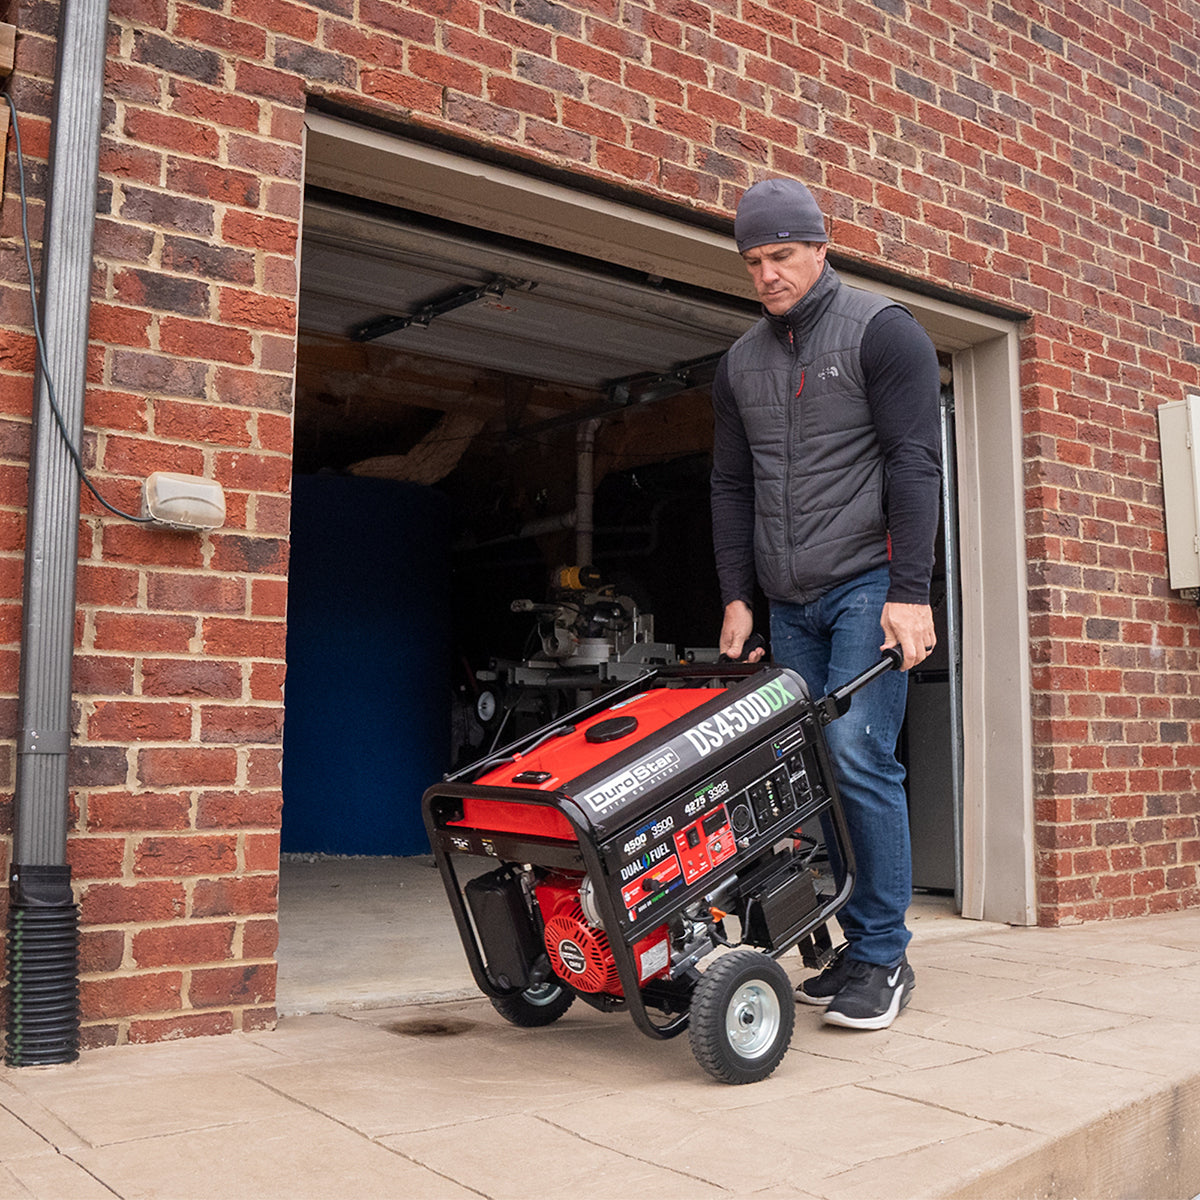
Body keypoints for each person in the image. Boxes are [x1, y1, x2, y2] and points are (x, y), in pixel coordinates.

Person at [710, 177, 942, 1030]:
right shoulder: (739, 362)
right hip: (788, 600)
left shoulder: (883, 331)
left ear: (820, 246)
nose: (767, 274)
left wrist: (910, 595)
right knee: (810, 771)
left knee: (857, 752)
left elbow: (915, 462)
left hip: (868, 584)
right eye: (753, 261)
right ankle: (855, 942)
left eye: (781, 255)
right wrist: (737, 595)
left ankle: (883, 956)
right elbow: (731, 485)